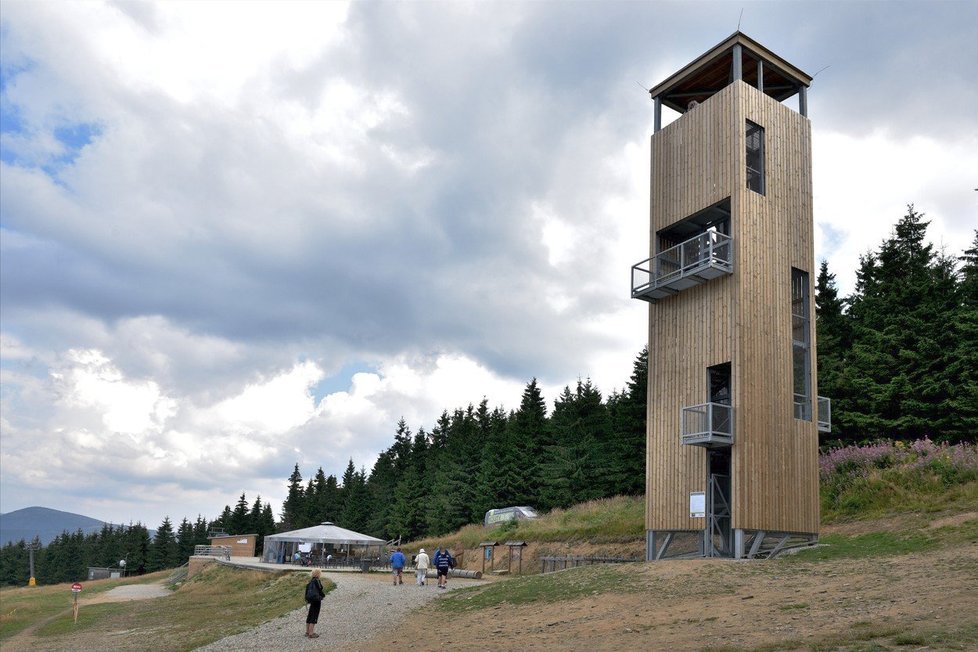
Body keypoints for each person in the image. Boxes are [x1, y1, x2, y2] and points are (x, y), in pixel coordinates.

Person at [304, 568, 326, 639]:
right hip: (316, 600)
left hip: (311, 600)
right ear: (318, 574)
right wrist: (323, 595)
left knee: (310, 615)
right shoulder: (317, 581)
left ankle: (307, 632)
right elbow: (320, 589)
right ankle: (311, 633)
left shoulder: (310, 581)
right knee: (314, 615)